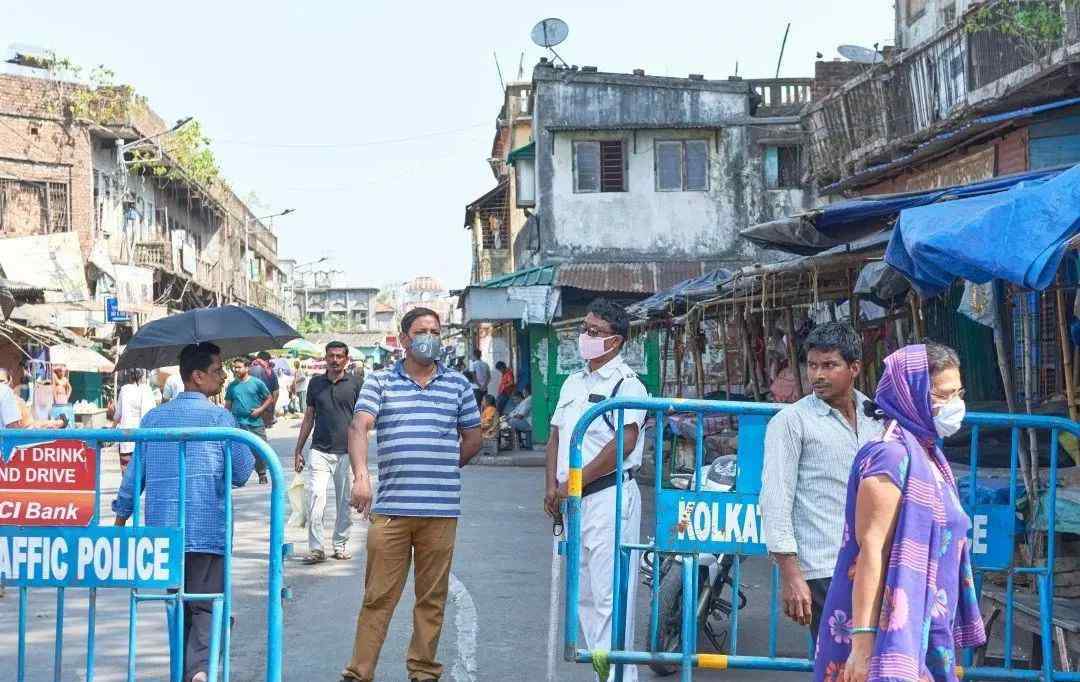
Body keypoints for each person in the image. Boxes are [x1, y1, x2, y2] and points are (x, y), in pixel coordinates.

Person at [814, 343, 984, 682]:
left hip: (923, 625)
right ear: (912, 397)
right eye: (942, 396)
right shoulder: (890, 457)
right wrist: (861, 647)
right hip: (884, 637)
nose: (955, 405)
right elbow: (871, 551)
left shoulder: (929, 455)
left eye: (958, 393)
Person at [340, 307, 482, 682]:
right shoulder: (380, 381)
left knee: (431, 600)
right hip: (390, 512)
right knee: (378, 598)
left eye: (435, 331)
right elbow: (359, 426)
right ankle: (359, 673)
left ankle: (423, 672)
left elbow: (472, 438)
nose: (430, 337)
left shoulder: (458, 385)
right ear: (404, 339)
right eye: (422, 331)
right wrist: (361, 476)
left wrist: (441, 467)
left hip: (440, 512)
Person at [113, 342, 255, 682]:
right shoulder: (220, 418)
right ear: (197, 375)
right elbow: (242, 472)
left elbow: (135, 476)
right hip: (206, 531)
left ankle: (186, 669)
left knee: (177, 605)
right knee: (205, 605)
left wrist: (120, 520)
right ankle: (200, 672)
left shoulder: (153, 418)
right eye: (218, 370)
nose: (222, 377)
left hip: (163, 534)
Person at [544, 299, 648, 682]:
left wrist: (572, 483)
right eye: (583, 329)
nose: (584, 336)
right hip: (573, 502)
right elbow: (556, 435)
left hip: (609, 498)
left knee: (611, 596)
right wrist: (550, 489)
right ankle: (603, 675)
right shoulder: (574, 381)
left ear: (616, 341)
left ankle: (622, 677)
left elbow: (624, 442)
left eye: (593, 332)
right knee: (584, 594)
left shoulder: (627, 385)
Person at [760, 321, 884, 644]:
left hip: (874, 564)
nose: (817, 375)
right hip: (823, 567)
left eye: (829, 365)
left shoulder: (877, 418)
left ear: (854, 367)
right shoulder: (790, 422)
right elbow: (775, 499)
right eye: (812, 365)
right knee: (836, 666)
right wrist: (790, 574)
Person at [294, 341, 362, 564]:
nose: (335, 360)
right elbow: (308, 418)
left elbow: (362, 422)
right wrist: (298, 450)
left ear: (346, 358)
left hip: (346, 452)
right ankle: (316, 549)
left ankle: (340, 545)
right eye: (331, 356)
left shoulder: (356, 383)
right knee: (316, 499)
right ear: (325, 358)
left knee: (345, 502)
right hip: (319, 451)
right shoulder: (315, 383)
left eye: (339, 356)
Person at [224, 357, 275, 484]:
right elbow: (228, 405)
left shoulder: (257, 383)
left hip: (255, 422)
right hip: (239, 423)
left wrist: (260, 410)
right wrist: (226, 419)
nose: (236, 370)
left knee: (260, 448)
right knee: (239, 450)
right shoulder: (232, 386)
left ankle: (262, 473)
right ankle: (239, 477)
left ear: (247, 368)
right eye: (235, 367)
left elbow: (269, 398)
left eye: (239, 367)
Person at [113, 369, 156, 472]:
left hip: (127, 437)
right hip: (144, 437)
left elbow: (118, 415)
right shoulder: (147, 390)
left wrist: (112, 427)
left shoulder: (124, 389)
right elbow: (153, 412)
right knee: (142, 473)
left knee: (127, 474)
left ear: (129, 377)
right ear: (141, 377)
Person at [248, 351, 280, 429]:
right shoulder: (271, 372)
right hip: (266, 410)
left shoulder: (249, 370)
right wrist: (272, 407)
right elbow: (276, 393)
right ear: (267, 360)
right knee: (261, 435)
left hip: (251, 410)